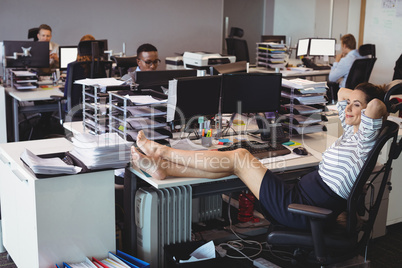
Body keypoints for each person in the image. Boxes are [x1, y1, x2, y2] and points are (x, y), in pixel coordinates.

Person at [130, 82, 388, 230]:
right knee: (234, 165)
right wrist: (355, 98)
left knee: (240, 156)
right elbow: (342, 92)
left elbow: (376, 106)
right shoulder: (352, 132)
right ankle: (164, 168)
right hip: (302, 197)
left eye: (357, 105)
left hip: (301, 208)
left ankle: (161, 151)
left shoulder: (365, 138)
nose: (349, 108)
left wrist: (377, 97)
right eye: (350, 104)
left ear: (368, 116)